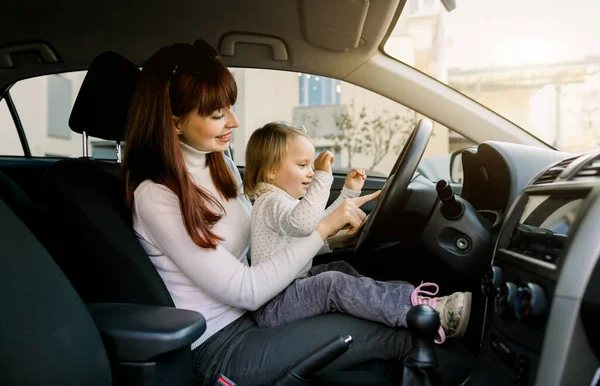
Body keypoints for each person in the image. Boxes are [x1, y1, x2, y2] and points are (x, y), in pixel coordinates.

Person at [122, 40, 470, 385]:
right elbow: (247, 289)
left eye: (230, 107)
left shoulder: (219, 165)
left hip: (259, 311)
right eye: (217, 114)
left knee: (377, 307)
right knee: (405, 336)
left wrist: (329, 242)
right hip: (222, 345)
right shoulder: (157, 196)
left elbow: (259, 248)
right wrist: (321, 229)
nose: (234, 121)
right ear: (175, 120)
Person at [244, 122, 472, 342]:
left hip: (287, 287)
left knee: (339, 269)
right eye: (302, 165)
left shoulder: (281, 201)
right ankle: (425, 315)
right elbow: (306, 223)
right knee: (333, 283)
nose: (311, 173)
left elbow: (318, 223)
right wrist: (323, 177)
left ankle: (399, 301)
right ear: (272, 171)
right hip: (273, 304)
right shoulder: (270, 202)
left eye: (311, 167)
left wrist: (348, 194)